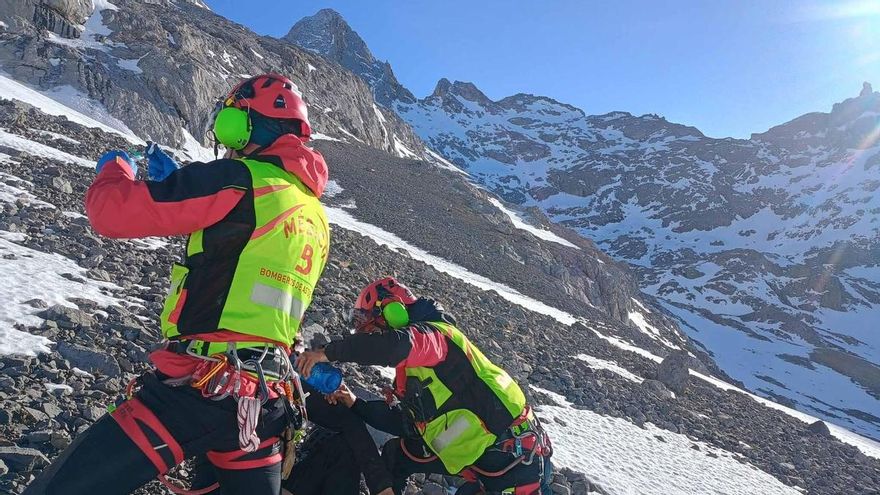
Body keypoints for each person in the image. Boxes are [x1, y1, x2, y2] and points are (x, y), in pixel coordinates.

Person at [25, 73, 342, 495]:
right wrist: (187, 181)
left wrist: (114, 171)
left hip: (197, 390)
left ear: (246, 123)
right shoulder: (314, 214)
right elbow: (240, 249)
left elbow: (111, 214)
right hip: (265, 402)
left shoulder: (237, 177)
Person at [297, 278, 554, 495]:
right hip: (481, 460)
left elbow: (394, 346)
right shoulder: (414, 370)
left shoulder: (436, 338)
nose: (369, 336)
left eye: (372, 326)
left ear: (393, 313)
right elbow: (408, 426)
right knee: (396, 455)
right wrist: (355, 403)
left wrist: (328, 352)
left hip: (514, 463)